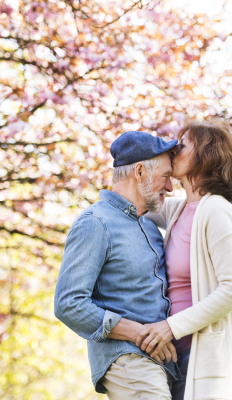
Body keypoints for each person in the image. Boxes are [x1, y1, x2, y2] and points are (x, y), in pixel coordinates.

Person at [54, 130, 181, 400]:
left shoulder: (148, 224)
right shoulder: (95, 222)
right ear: (139, 172)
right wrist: (140, 334)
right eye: (166, 176)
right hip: (129, 362)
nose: (170, 187)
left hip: (159, 365)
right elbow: (68, 303)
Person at [138, 119, 232, 400]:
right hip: (173, 354)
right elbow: (136, 201)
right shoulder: (179, 209)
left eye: (182, 144)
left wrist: (170, 327)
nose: (174, 150)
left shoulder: (216, 210)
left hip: (201, 356)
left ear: (206, 155)